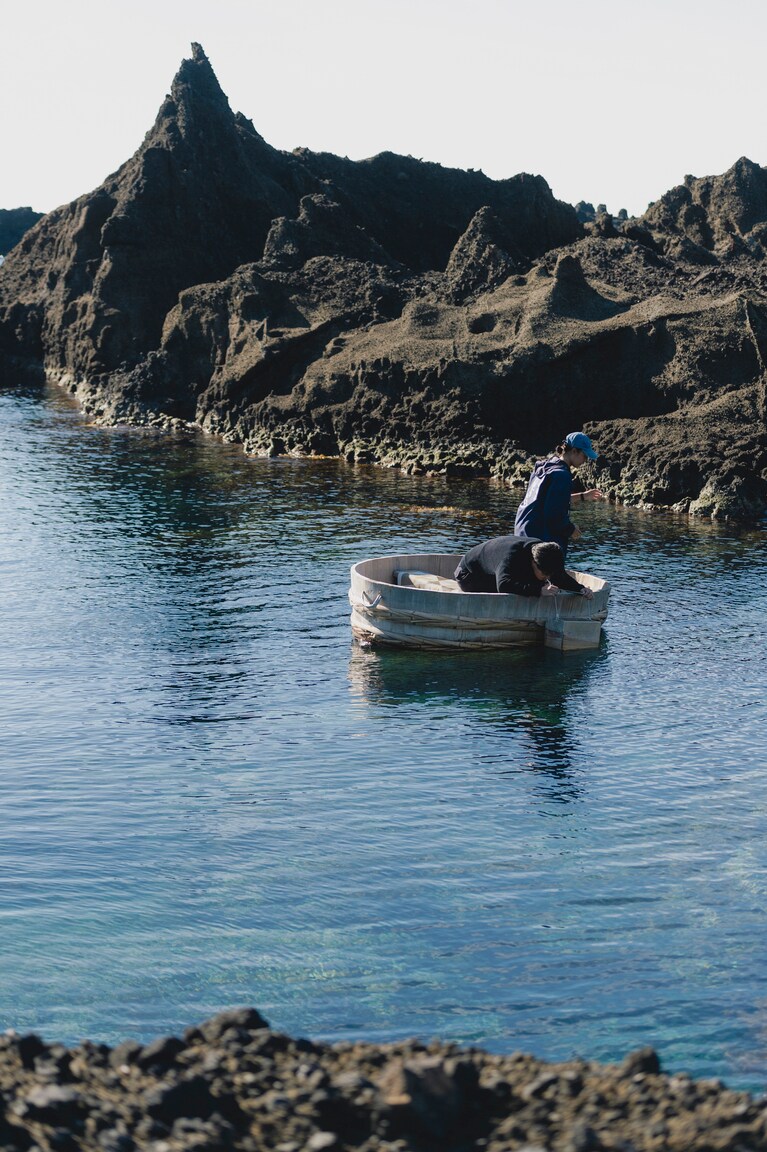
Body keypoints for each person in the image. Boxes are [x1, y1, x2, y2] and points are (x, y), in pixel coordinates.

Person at [513, 431, 604, 556]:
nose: (586, 460)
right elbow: (555, 515)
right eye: (584, 455)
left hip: (522, 531)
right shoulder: (561, 475)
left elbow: (546, 500)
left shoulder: (544, 467)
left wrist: (583, 496)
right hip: (538, 537)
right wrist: (571, 529)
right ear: (574, 451)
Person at [454, 535, 594, 599]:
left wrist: (580, 589)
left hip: (492, 570)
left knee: (541, 581)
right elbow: (503, 585)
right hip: (469, 575)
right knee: (530, 587)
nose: (548, 578)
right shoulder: (512, 556)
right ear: (533, 562)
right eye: (545, 574)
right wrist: (538, 591)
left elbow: (560, 576)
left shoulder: (542, 551)